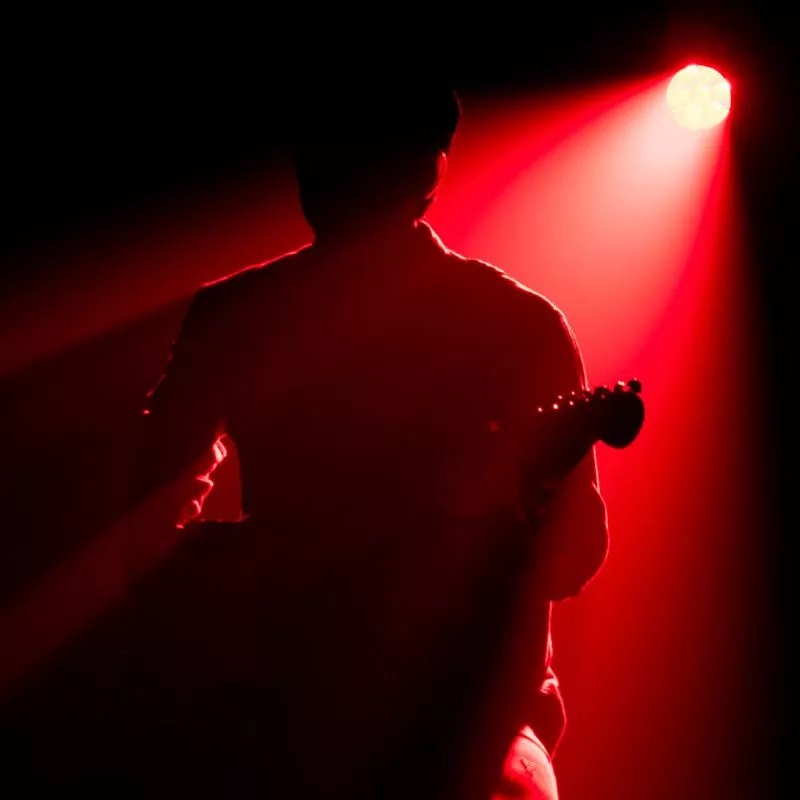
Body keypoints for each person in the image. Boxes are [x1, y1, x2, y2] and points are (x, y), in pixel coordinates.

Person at [119, 81, 610, 800]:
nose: (323, 170)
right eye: (318, 149)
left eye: (351, 151)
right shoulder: (236, 312)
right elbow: (147, 519)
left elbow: (574, 552)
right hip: (277, 703)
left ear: (426, 169)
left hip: (466, 715)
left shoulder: (515, 324)